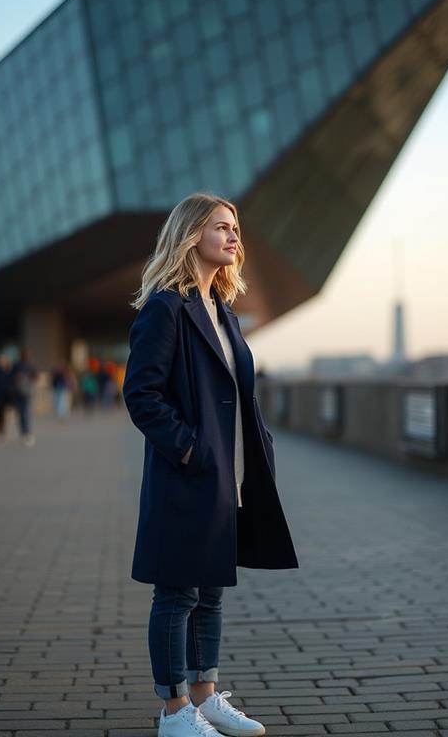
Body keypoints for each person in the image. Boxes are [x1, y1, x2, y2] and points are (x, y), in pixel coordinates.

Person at [123, 193, 299, 737]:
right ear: (191, 234)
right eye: (221, 226)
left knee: (212, 589)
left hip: (232, 476)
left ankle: (206, 697)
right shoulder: (166, 308)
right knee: (177, 591)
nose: (233, 236)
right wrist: (191, 449)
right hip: (191, 473)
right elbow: (142, 395)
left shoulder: (224, 313)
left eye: (236, 228)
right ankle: (174, 711)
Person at [10, 348, 37, 446]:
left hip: (25, 393)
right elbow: (11, 377)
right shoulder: (17, 365)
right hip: (18, 392)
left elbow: (35, 377)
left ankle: (26, 432)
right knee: (21, 413)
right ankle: (24, 433)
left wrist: (27, 378)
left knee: (25, 412)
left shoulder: (29, 365)